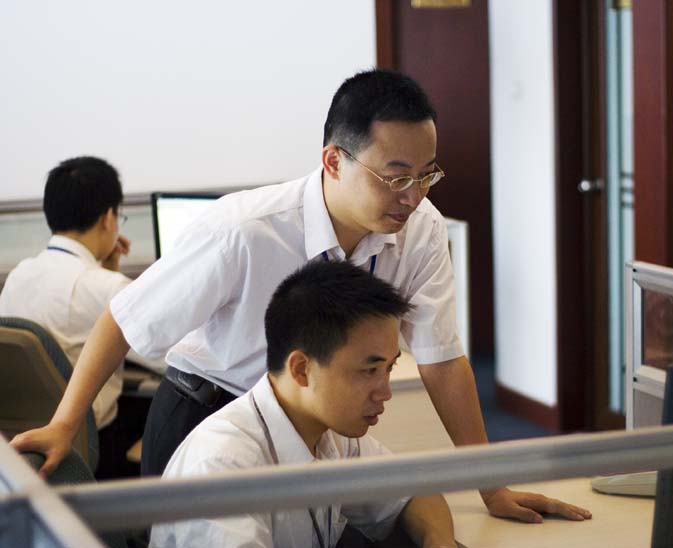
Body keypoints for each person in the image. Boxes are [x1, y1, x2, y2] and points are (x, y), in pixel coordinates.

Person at [11, 69, 591, 523]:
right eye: (395, 177)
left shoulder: (421, 229)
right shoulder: (245, 229)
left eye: (426, 174)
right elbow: (124, 319)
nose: (413, 196)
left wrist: (491, 484)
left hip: (312, 422)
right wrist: (66, 424)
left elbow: (441, 358)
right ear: (334, 161)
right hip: (207, 413)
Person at [150, 260, 456, 548]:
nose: (385, 392)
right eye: (369, 370)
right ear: (301, 369)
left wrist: (439, 542)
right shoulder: (223, 466)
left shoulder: (328, 433)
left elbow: (412, 494)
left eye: (389, 368)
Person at [0, 156, 162, 479]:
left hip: (23, 448)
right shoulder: (107, 287)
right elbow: (167, 358)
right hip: (92, 444)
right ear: (108, 218)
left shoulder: (19, 275)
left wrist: (108, 271)